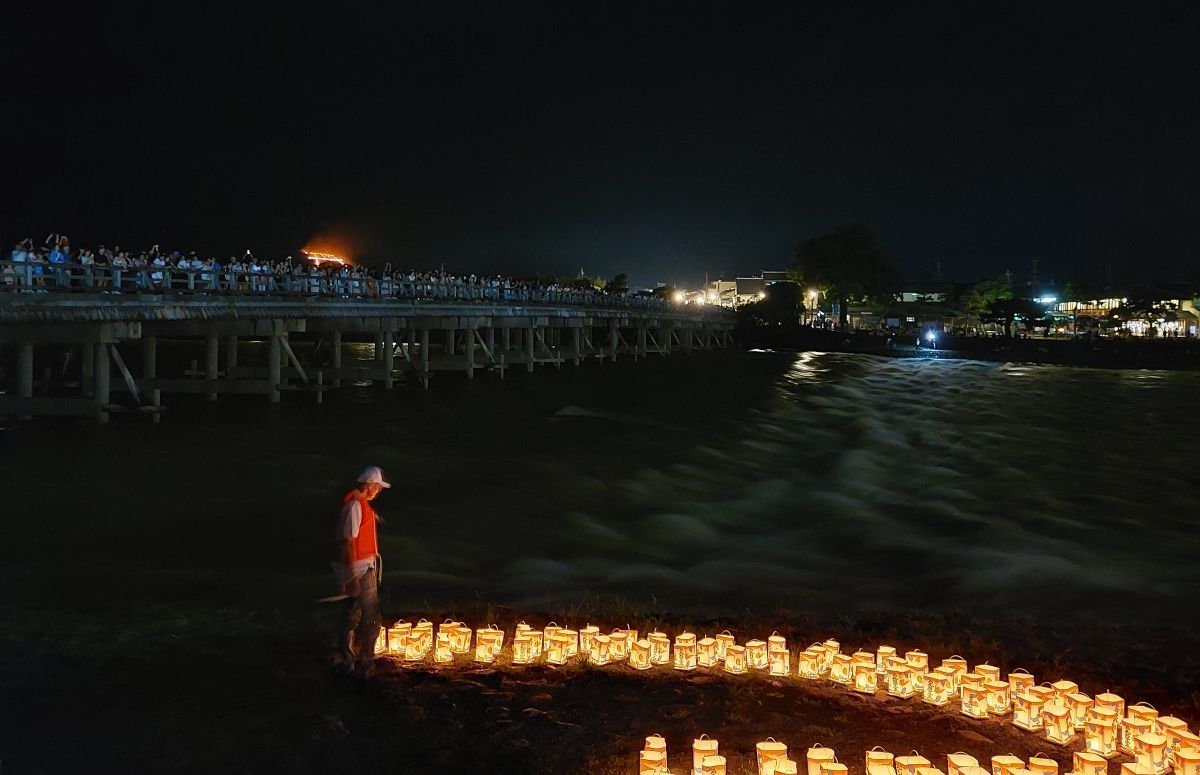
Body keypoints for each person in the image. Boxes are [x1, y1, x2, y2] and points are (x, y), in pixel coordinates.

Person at [331, 465, 390, 676]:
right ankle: (364, 663)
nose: (379, 491)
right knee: (370, 617)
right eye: (378, 487)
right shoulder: (356, 506)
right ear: (369, 485)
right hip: (361, 569)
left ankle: (348, 660)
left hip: (360, 567)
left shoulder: (359, 505)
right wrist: (352, 577)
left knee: (351, 615)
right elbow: (347, 542)